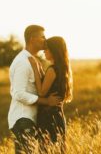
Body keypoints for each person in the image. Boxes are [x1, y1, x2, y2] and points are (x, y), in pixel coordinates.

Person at [8, 25, 62, 154]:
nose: (45, 40)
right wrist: (46, 101)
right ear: (32, 39)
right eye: (43, 37)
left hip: (29, 118)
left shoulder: (32, 60)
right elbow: (18, 94)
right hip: (23, 119)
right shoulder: (23, 62)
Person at [28, 36, 73, 153]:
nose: (44, 51)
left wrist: (35, 69)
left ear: (54, 50)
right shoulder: (63, 69)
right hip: (58, 117)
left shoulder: (52, 70)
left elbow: (41, 92)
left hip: (48, 118)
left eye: (47, 49)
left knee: (46, 150)